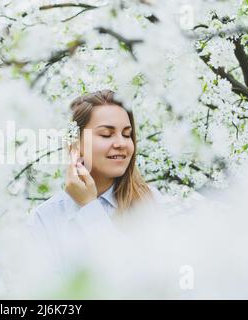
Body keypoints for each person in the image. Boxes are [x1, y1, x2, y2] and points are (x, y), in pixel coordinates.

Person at [27, 90, 165, 271]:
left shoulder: (150, 202)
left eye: (126, 134)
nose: (121, 143)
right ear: (75, 145)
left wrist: (90, 208)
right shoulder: (46, 218)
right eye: (106, 135)